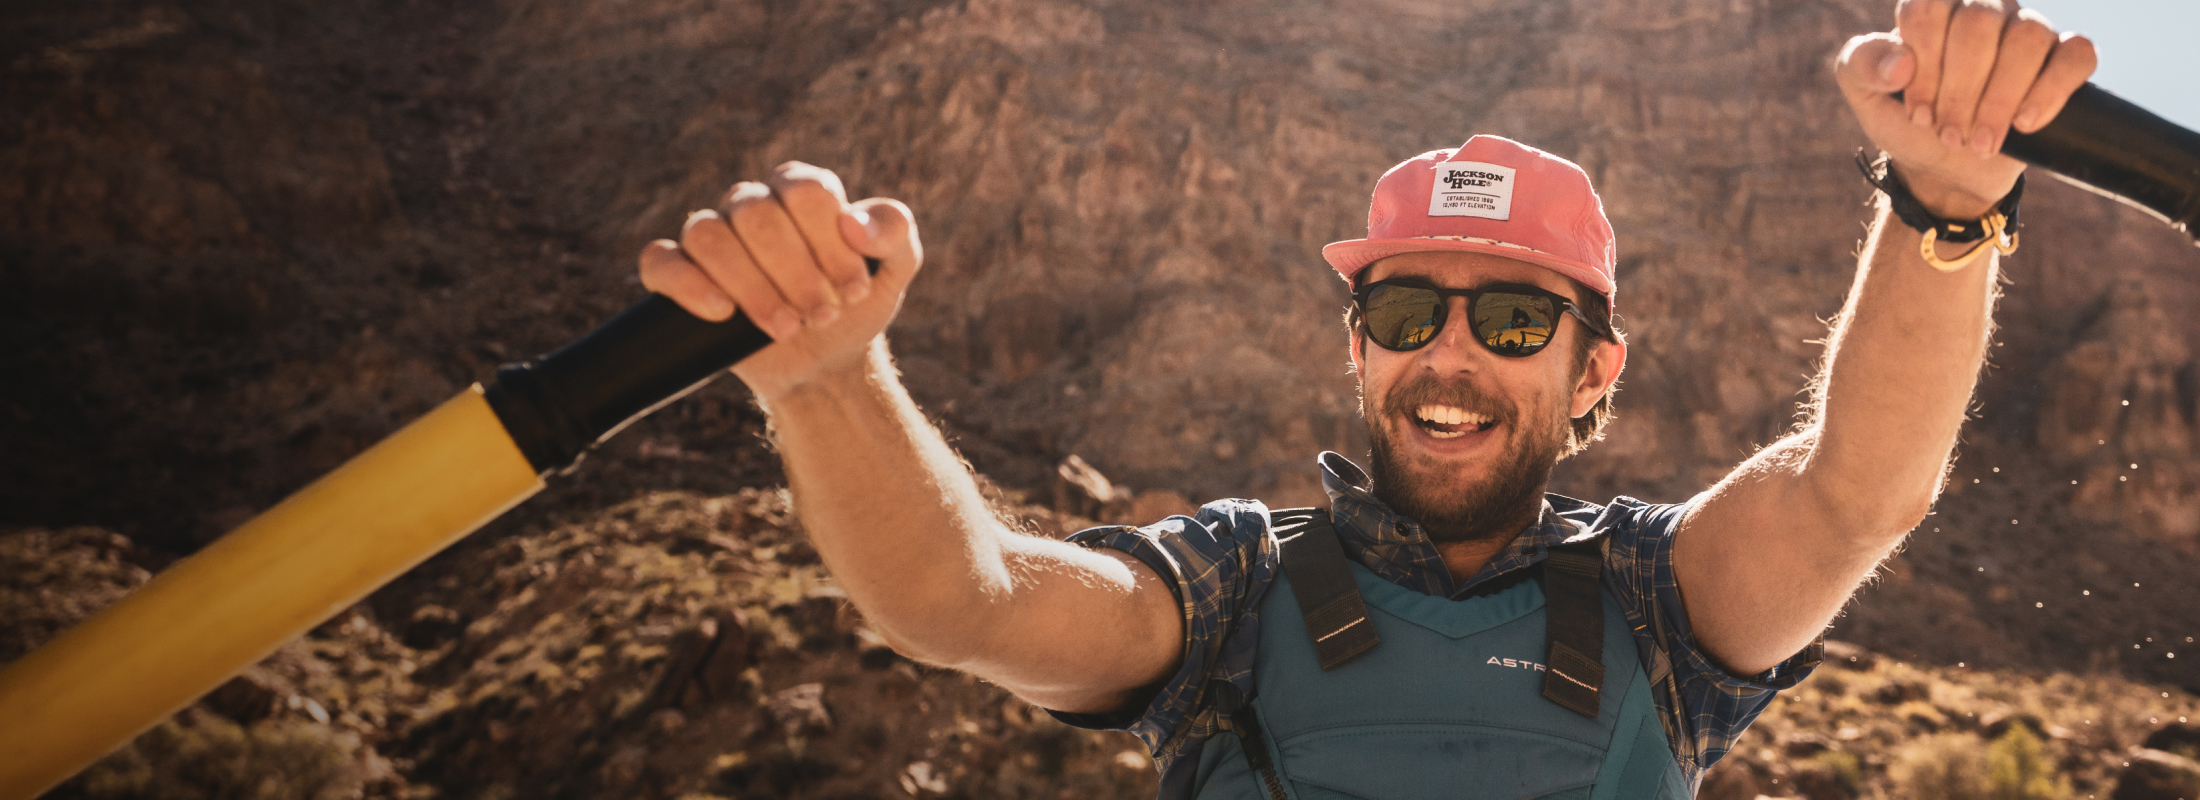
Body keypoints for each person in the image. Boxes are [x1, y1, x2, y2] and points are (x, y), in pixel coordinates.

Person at [635, 2, 2097, 797]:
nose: (1449, 354)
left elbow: (1855, 493)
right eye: (1405, 313)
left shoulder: (1666, 599)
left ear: (1596, 370)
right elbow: (970, 604)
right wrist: (831, 384)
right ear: (1361, 347)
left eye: (1516, 316)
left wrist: (1943, 210)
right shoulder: (1224, 593)